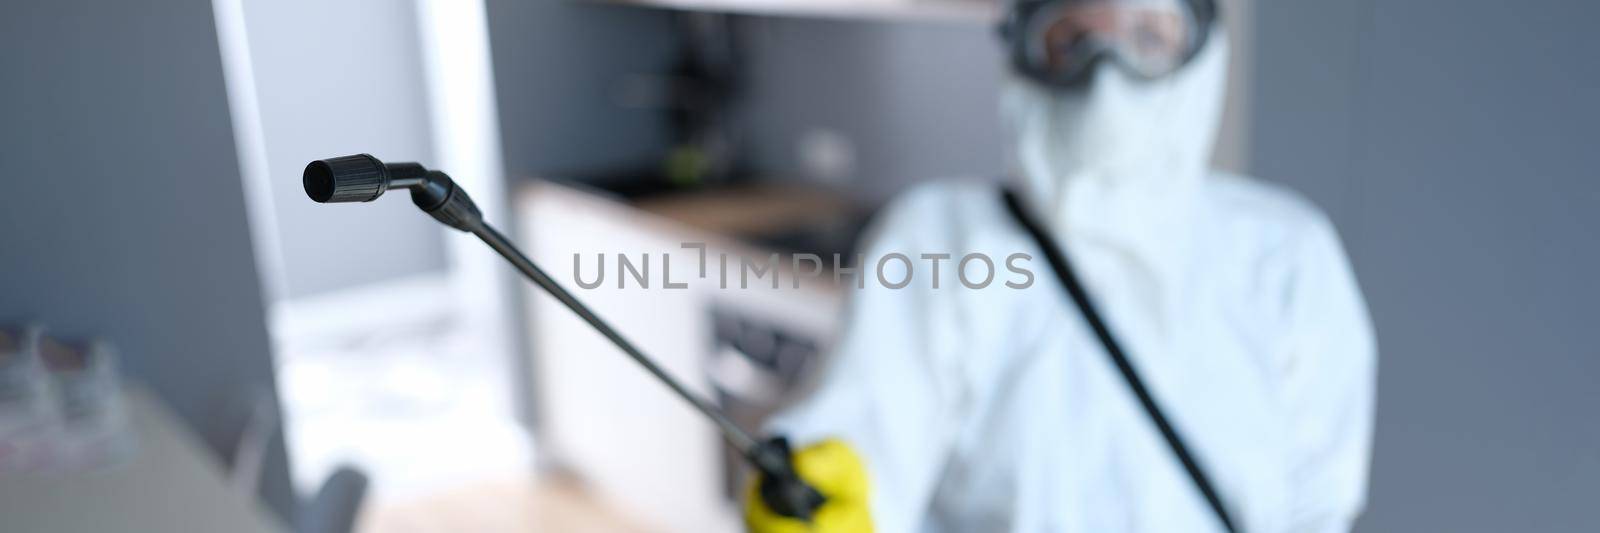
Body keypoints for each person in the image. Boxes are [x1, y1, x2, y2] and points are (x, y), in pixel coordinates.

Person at [742, 0, 1377, 531]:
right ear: (1021, 48)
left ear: (1200, 49)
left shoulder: (1285, 253)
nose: (1106, 75)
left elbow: (1317, 502)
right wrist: (822, 491)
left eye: (1146, 35)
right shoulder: (941, 239)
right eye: (1070, 39)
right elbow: (866, 440)